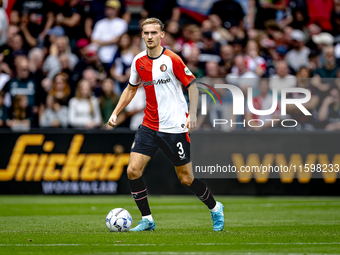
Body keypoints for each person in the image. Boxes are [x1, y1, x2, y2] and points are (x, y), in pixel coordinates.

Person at [107, 18, 224, 232]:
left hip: (175, 128)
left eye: (154, 32)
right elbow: (131, 89)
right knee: (133, 170)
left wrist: (193, 115)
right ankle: (147, 220)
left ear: (162, 35)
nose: (149, 36)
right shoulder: (138, 61)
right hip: (149, 126)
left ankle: (215, 208)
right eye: (146, 33)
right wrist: (116, 112)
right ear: (142, 35)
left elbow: (193, 85)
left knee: (186, 179)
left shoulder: (172, 59)